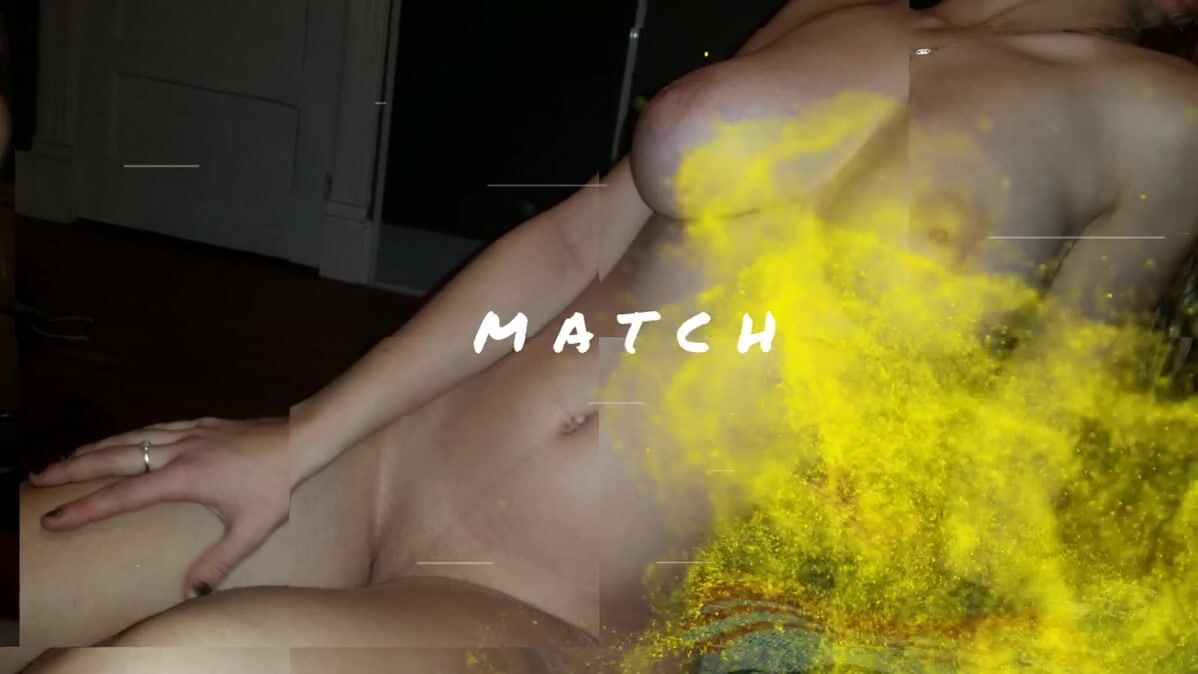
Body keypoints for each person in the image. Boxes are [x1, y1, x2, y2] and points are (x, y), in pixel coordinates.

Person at [11, 0, 1198, 671]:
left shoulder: (1165, 122)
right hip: (383, 458)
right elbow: (577, 242)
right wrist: (297, 436)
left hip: (552, 597)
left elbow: (1035, 453)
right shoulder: (831, 8)